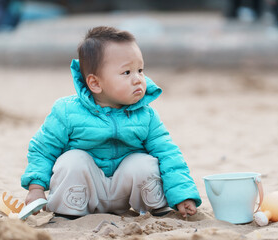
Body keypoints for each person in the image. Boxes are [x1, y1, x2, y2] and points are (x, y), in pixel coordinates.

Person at [21, 26, 201, 218]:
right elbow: (43, 149)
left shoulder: (146, 115)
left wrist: (183, 195)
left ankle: (156, 206)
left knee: (145, 163)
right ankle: (69, 212)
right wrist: (36, 188)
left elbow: (168, 154)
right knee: (72, 160)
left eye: (140, 70)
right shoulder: (66, 111)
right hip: (84, 191)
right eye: (126, 73)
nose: (138, 79)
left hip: (124, 192)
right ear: (96, 83)